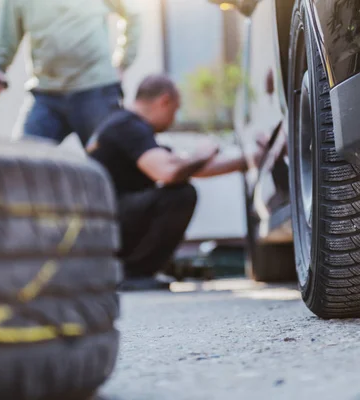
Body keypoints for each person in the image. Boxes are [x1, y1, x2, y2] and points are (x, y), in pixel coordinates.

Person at [88, 75, 264, 291]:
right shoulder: (127, 126)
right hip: (107, 224)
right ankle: (133, 274)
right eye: (175, 109)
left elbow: (188, 167)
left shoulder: (126, 126)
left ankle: (131, 271)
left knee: (179, 188)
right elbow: (169, 172)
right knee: (180, 195)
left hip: (104, 224)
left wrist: (250, 159)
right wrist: (204, 153)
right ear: (164, 101)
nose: (174, 117)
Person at [0, 0, 140, 146]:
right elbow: (4, 39)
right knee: (25, 160)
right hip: (46, 94)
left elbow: (133, 12)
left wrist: (123, 62)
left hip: (96, 90)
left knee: (111, 158)